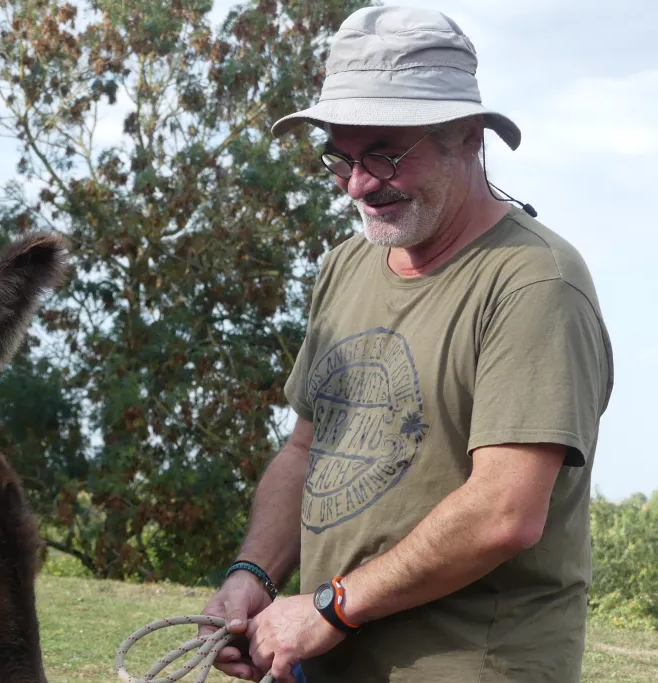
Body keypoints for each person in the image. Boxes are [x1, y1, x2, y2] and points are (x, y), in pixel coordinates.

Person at [199, 6, 613, 683]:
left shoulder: (535, 282)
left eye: (387, 152)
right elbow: (306, 449)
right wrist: (253, 574)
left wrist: (329, 607)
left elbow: (505, 511)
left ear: (468, 137)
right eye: (341, 156)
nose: (360, 183)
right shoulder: (344, 266)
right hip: (321, 663)